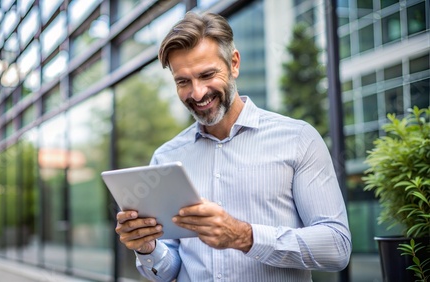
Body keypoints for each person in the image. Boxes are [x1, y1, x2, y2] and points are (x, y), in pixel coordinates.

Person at [115, 11, 351, 281]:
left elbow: (337, 247)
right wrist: (148, 249)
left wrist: (244, 236)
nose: (197, 93)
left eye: (207, 75)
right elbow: (169, 270)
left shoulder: (298, 139)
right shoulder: (166, 157)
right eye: (183, 81)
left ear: (234, 63)